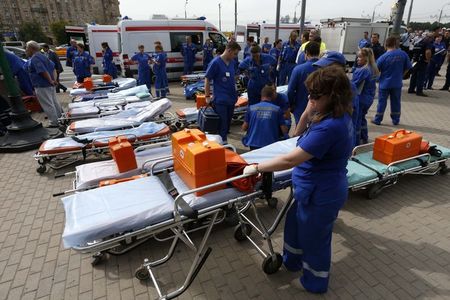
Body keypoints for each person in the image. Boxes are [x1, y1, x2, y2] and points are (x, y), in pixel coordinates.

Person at [243, 66, 354, 294]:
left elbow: (288, 161)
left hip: (322, 193)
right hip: (309, 189)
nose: (311, 100)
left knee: (315, 239)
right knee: (294, 226)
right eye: (310, 95)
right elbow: (305, 117)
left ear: (333, 96)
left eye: (315, 96)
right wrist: (304, 119)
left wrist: (256, 167)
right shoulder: (330, 112)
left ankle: (315, 281)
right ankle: (292, 261)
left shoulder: (331, 127)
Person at [312, 51, 359, 147]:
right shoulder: (330, 85)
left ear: (339, 68)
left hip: (339, 140)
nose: (321, 70)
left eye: (325, 67)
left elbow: (343, 116)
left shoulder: (347, 87)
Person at [204, 41, 241, 142]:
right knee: (222, 125)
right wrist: (207, 96)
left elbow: (234, 77)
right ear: (229, 51)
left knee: (228, 124)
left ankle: (223, 143)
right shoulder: (215, 63)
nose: (235, 56)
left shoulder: (232, 62)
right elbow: (207, 79)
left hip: (231, 99)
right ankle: (223, 145)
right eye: (235, 54)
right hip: (220, 100)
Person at [373, 37, 411, 126]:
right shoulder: (403, 54)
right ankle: (396, 120)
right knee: (396, 101)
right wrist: (401, 75)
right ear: (395, 44)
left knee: (382, 102)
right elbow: (408, 67)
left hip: (384, 83)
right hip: (397, 83)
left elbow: (376, 70)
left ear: (386, 45)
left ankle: (378, 119)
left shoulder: (383, 57)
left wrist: (378, 78)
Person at [24, 40, 63, 128]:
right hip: (49, 84)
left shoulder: (35, 58)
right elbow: (53, 68)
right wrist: (54, 80)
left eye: (27, 47)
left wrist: (50, 80)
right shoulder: (43, 56)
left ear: (31, 48)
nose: (26, 49)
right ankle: (61, 118)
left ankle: (54, 122)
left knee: (47, 104)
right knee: (54, 102)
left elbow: (42, 71)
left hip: (42, 85)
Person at [242, 84, 288, 150]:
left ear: (261, 95)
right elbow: (284, 130)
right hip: (271, 144)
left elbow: (244, 127)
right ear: (272, 96)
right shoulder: (277, 110)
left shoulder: (251, 108)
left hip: (253, 144)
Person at [288, 41, 320, 124]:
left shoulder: (298, 69)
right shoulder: (325, 69)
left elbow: (290, 90)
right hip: (320, 108)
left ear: (306, 53)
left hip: (300, 107)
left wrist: (291, 105)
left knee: (300, 132)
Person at [351, 48, 379, 144]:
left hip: (361, 98)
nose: (357, 59)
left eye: (359, 57)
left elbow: (353, 84)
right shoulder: (373, 68)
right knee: (362, 118)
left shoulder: (362, 70)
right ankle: (364, 137)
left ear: (366, 58)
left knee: (356, 121)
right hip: (369, 98)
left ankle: (356, 141)